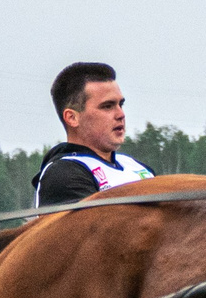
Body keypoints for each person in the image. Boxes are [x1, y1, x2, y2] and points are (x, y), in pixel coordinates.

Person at [33, 61, 155, 206]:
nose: (121, 114)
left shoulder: (135, 166)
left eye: (120, 105)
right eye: (107, 106)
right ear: (72, 118)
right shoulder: (63, 174)